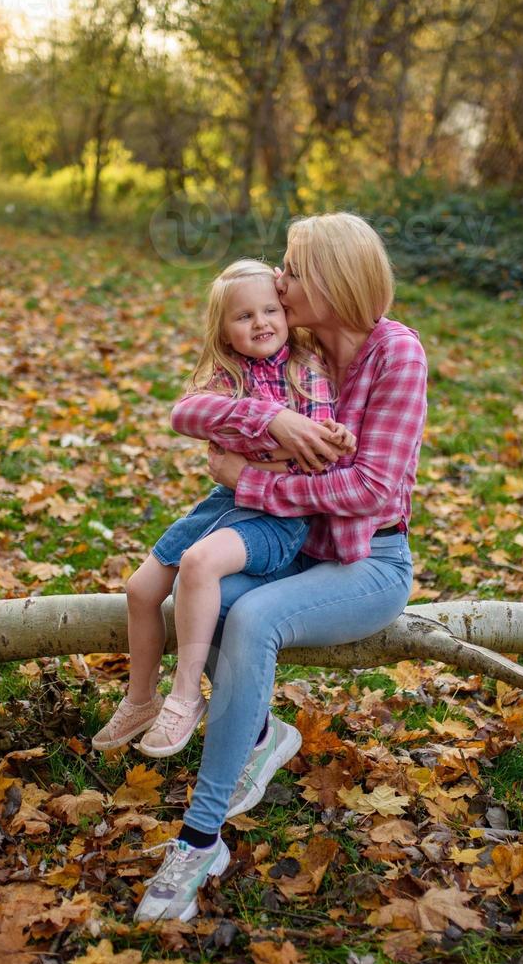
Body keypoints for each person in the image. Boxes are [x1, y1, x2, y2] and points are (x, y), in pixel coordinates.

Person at [134, 213, 427, 923]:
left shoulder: (397, 354)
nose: (280, 282)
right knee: (197, 603)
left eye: (293, 270)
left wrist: (251, 481)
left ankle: (200, 839)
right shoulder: (292, 353)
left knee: (256, 616)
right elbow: (205, 417)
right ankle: (261, 735)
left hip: (370, 561)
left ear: (332, 279)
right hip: (294, 548)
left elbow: (372, 490)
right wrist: (264, 432)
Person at [90, 259, 354, 758]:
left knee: (199, 563)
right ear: (225, 332)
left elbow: (318, 463)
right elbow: (185, 413)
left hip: (280, 519)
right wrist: (272, 422)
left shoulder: (306, 371)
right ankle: (140, 699)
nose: (260, 323)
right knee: (141, 588)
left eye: (270, 310)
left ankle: (186, 697)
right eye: (244, 316)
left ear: (285, 313)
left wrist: (255, 457)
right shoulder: (228, 372)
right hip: (224, 503)